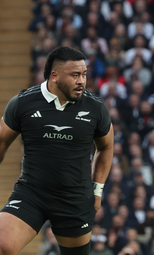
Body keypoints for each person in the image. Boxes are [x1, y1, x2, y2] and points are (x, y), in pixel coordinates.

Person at [0, 46, 114, 255]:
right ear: (54, 76)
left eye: (84, 74)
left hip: (75, 198)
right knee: (3, 245)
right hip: (32, 193)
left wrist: (97, 191)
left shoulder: (96, 107)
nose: (82, 81)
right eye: (75, 75)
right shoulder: (24, 102)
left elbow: (106, 147)